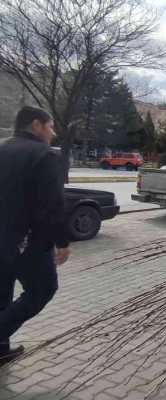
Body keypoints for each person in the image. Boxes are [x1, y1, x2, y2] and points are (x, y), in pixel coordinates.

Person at [0, 106, 71, 366]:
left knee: (2, 296)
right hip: (28, 243)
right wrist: (62, 242)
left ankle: (0, 351)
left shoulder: (2, 148)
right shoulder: (44, 155)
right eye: (50, 126)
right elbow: (52, 205)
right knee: (42, 290)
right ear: (36, 125)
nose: (52, 133)